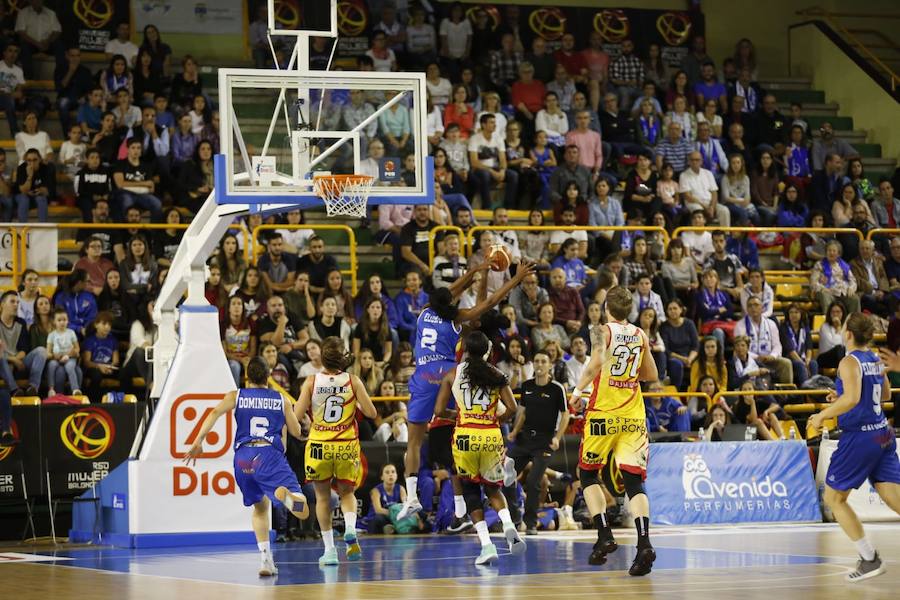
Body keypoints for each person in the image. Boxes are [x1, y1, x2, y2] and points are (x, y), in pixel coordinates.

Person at [396, 260, 536, 520]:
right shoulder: (460, 322)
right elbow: (489, 301)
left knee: (415, 443)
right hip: (451, 377)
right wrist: (515, 279)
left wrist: (476, 271)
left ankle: (413, 496)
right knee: (478, 418)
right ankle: (498, 463)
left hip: (424, 378)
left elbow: (452, 291)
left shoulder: (424, 313)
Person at [184, 357, 310, 577]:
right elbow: (296, 432)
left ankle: (265, 560)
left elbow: (213, 413)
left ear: (246, 376)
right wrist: (306, 428)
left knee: (260, 508)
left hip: (243, 459)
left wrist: (198, 441)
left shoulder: (236, 396)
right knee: (303, 508)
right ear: (268, 374)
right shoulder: (281, 399)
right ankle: (287, 497)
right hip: (268, 455)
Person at [570, 286, 658, 575]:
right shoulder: (639, 334)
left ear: (606, 307)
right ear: (629, 310)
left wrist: (576, 389)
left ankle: (605, 533)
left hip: (603, 415)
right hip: (633, 415)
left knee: (587, 473)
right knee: (634, 482)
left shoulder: (600, 331)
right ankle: (644, 542)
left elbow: (595, 363)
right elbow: (652, 375)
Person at [807, 313, 900, 582]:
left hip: (860, 438)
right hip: (882, 433)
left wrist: (823, 414)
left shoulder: (849, 361)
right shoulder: (874, 358)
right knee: (894, 498)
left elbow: (853, 398)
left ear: (848, 333)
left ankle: (869, 558)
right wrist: (843, 396)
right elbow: (883, 395)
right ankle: (869, 559)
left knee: (834, 499)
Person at [433, 331, 526, 565]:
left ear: (465, 350)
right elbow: (513, 409)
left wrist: (459, 415)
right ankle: (507, 525)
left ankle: (486, 545)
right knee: (493, 489)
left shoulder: (453, 374)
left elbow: (439, 411)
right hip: (491, 435)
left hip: (465, 435)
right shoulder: (496, 374)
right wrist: (497, 421)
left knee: (472, 493)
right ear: (487, 351)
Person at [294, 337, 377, 565]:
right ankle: (350, 528)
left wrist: (299, 432)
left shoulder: (311, 381)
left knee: (322, 499)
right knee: (347, 494)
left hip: (319, 445)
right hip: (346, 445)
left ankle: (330, 551)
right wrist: (354, 402)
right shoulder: (353, 381)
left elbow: (296, 414)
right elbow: (371, 413)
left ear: (322, 358)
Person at [507, 349, 570, 534]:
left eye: (543, 361)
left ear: (550, 365)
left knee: (535, 480)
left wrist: (557, 438)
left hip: (545, 441)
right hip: (525, 439)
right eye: (536, 361)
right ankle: (515, 518)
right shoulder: (526, 386)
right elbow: (523, 412)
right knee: (506, 477)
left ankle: (531, 523)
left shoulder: (557, 388)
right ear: (533, 364)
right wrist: (514, 432)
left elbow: (565, 415)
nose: (540, 364)